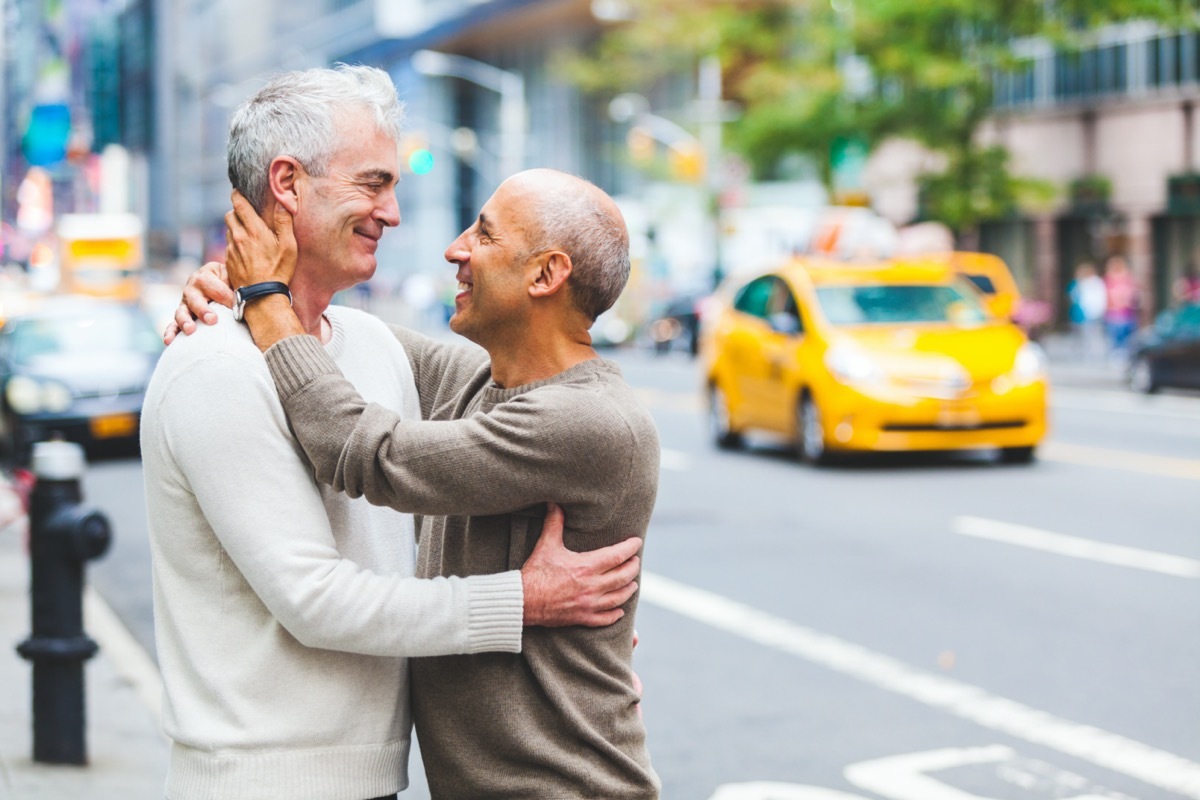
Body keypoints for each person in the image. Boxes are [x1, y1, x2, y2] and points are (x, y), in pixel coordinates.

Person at [144, 66, 642, 800]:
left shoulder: (369, 348)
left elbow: (383, 469)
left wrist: (577, 655)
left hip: (378, 779)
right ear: (287, 183)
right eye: (374, 183)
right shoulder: (214, 368)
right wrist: (522, 604)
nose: (399, 215)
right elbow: (316, 596)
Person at [1067, 261, 1106, 362]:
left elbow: (1098, 299)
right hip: (1079, 313)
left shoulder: (1095, 283)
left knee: (1091, 333)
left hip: (1091, 313)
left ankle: (1092, 353)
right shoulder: (1077, 283)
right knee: (1079, 333)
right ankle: (1080, 352)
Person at [1102, 254, 1139, 358]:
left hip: (1126, 313)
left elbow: (1132, 294)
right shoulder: (1108, 280)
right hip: (1113, 313)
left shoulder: (1128, 279)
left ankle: (1125, 355)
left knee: (1127, 337)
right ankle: (1116, 354)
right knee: (1115, 336)